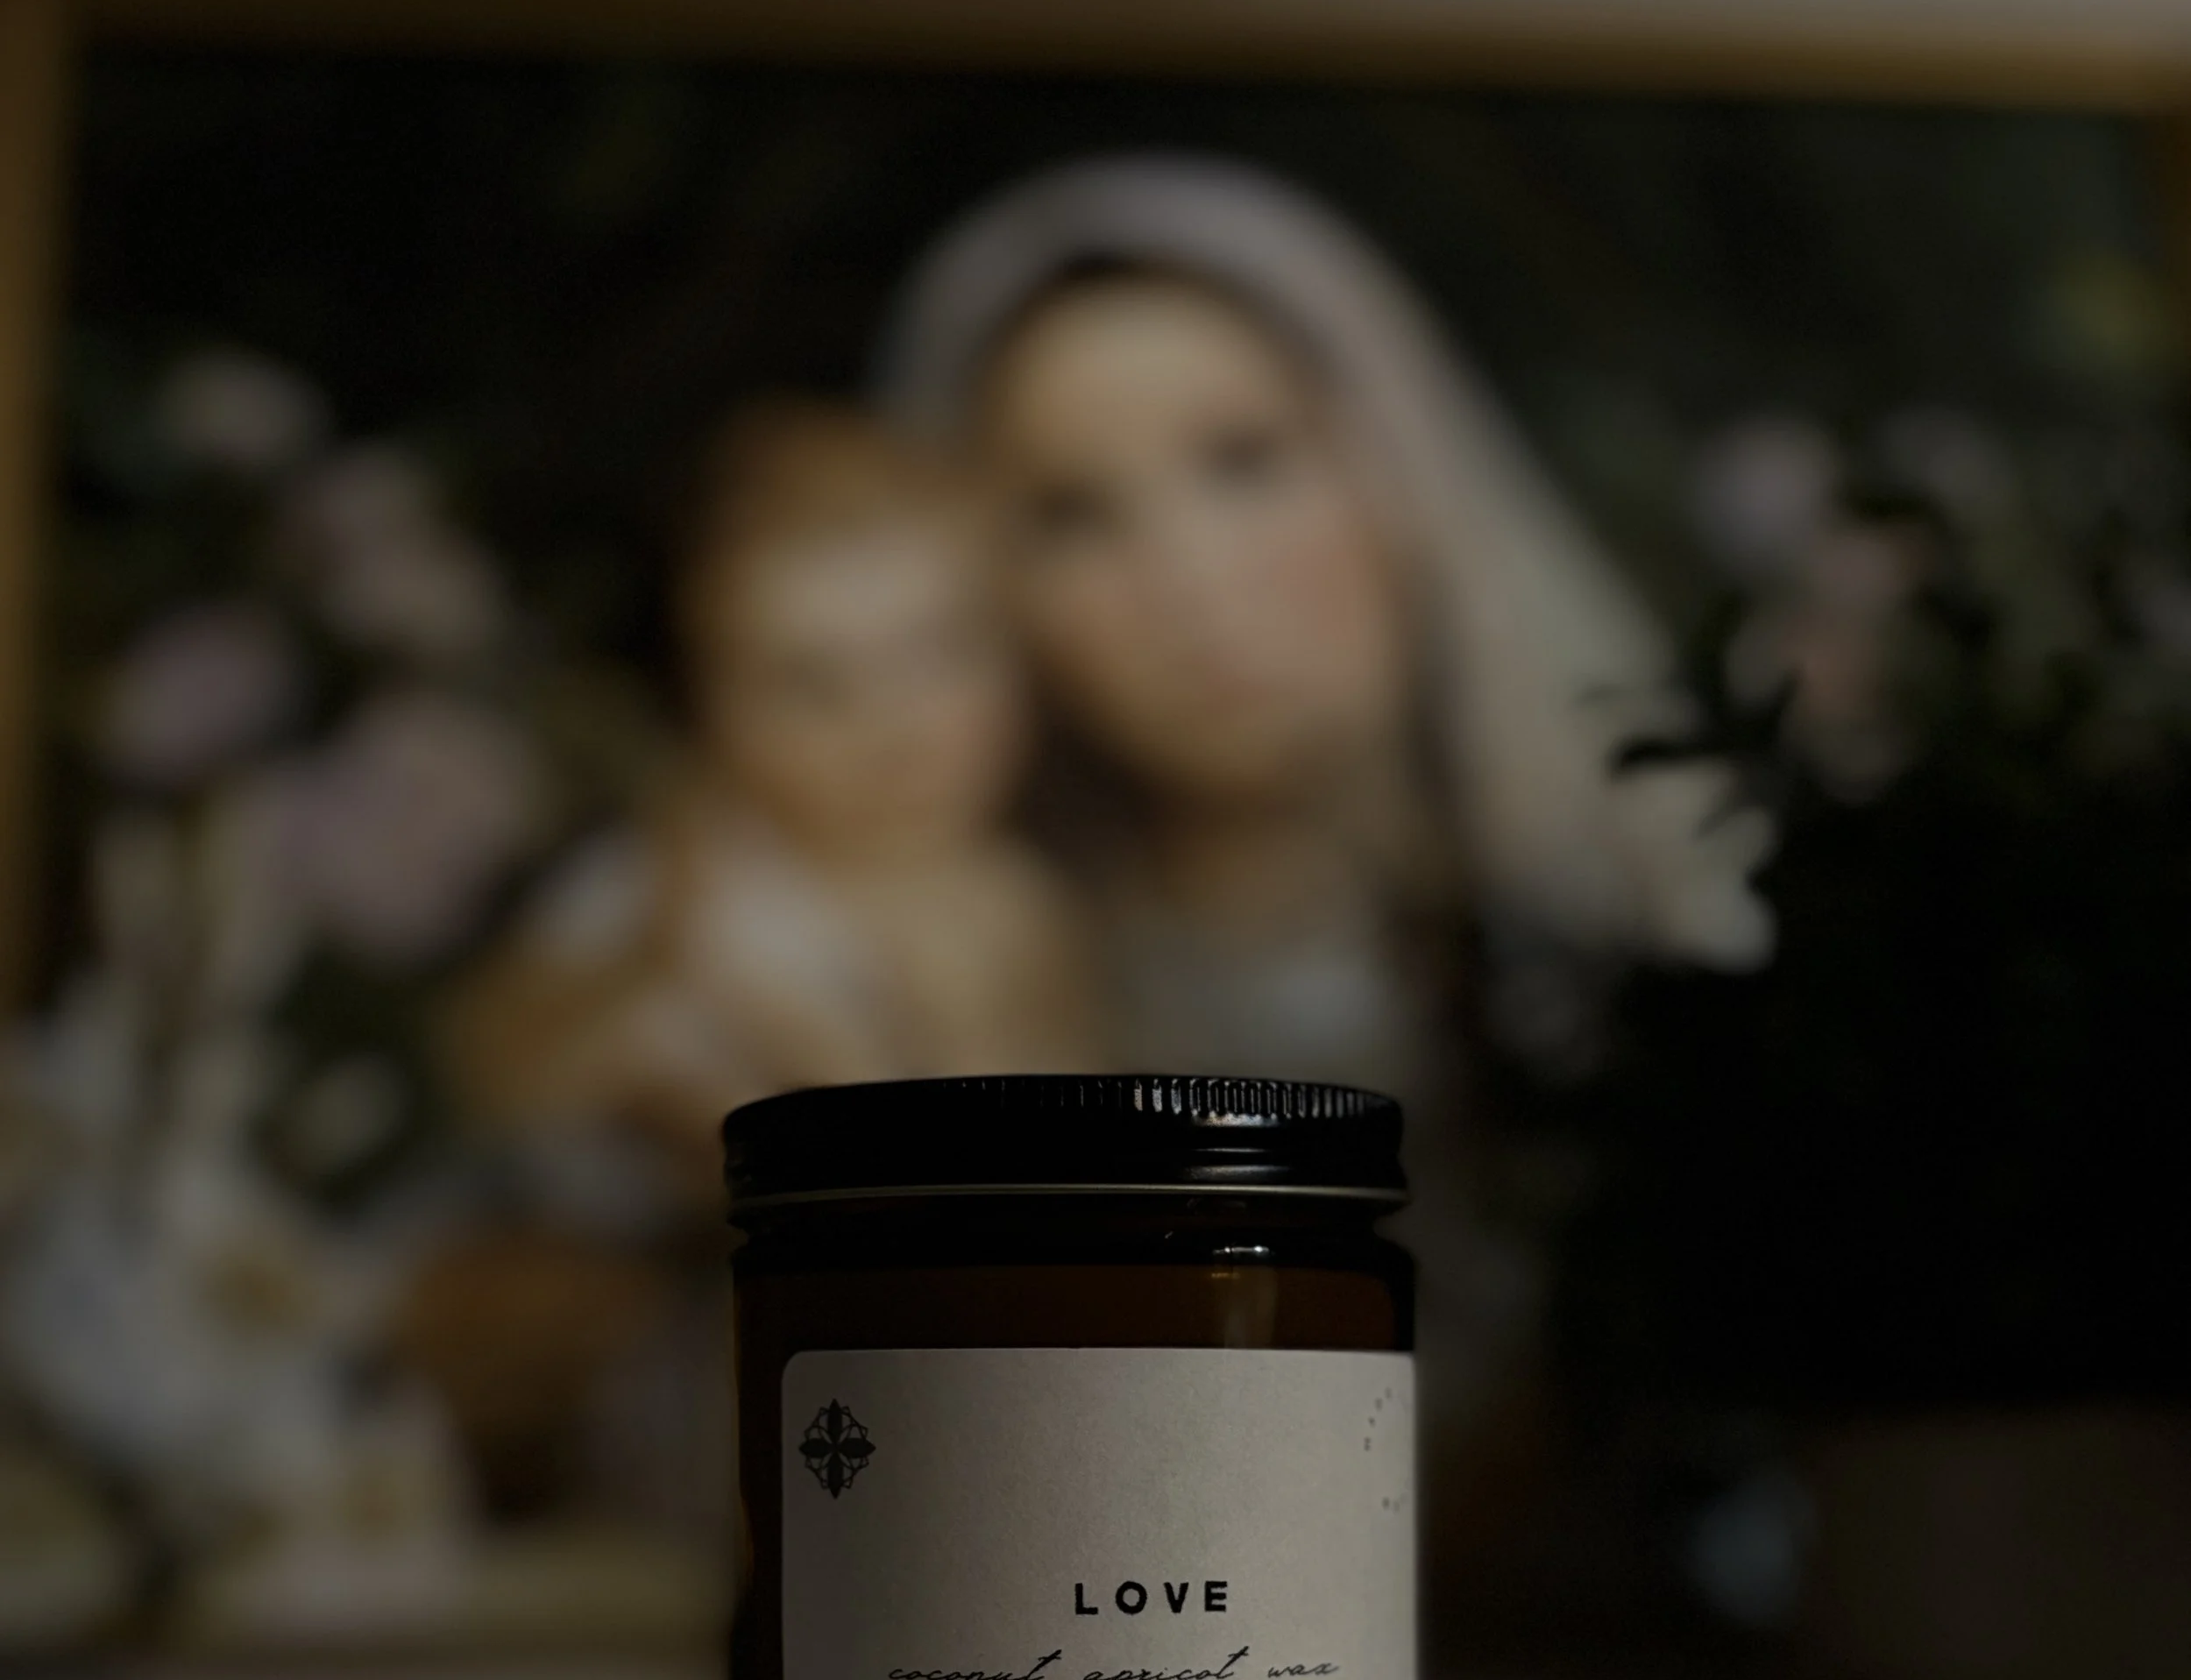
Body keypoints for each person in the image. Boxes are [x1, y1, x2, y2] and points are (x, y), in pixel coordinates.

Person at [882, 155, 1770, 1100]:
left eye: (1245, 460)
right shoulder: (938, 1016)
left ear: (1395, 464)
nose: (1188, 584)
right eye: (1071, 514)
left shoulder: (1697, 912)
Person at [449, 405, 1098, 1207]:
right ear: (713, 712)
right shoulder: (713, 901)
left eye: (943, 650)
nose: (898, 727)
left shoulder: (1015, 876)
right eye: (812, 684)